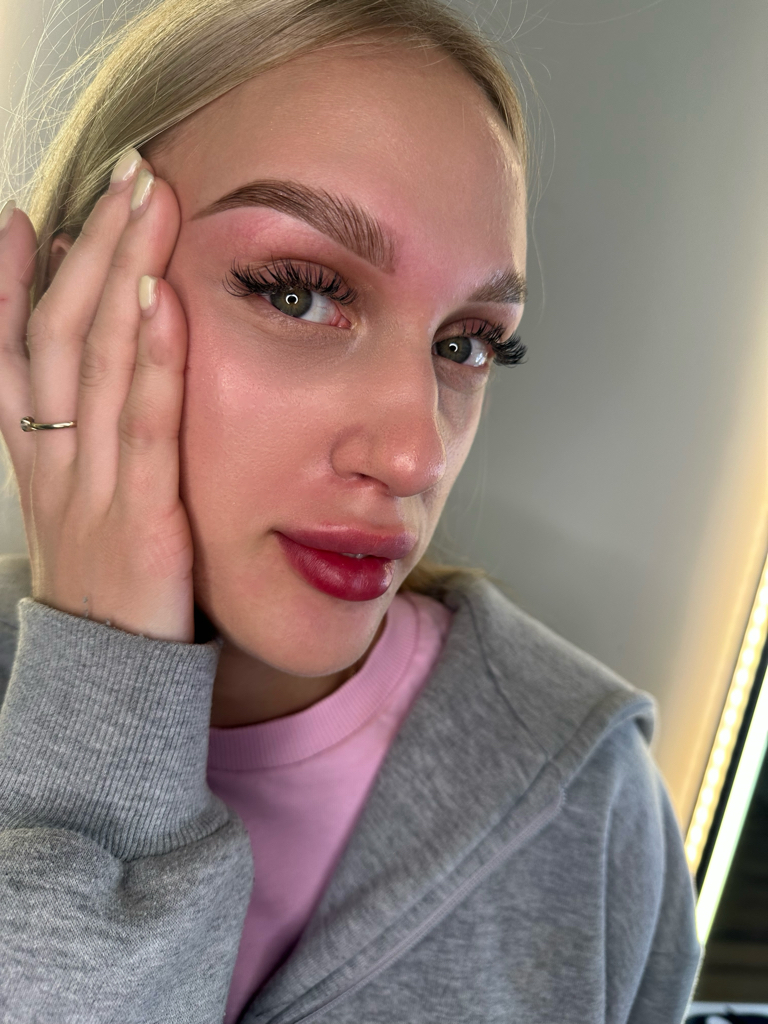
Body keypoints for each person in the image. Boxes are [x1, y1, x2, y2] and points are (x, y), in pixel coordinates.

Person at [0, 0, 702, 1020]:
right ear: (79, 302)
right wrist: (105, 691)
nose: (417, 454)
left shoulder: (592, 810)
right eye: (299, 292)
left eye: (467, 342)